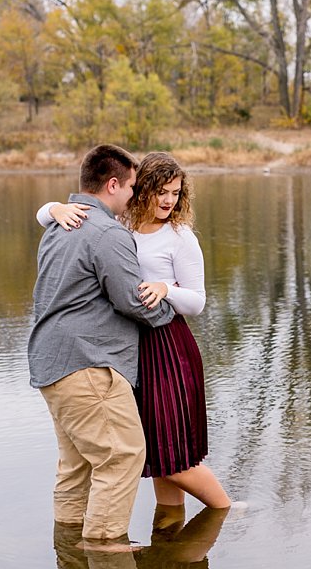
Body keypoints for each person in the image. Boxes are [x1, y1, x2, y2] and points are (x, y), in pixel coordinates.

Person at [37, 151, 233, 513]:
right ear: (139, 190)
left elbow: (197, 302)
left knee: (173, 457)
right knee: (157, 454)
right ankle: (169, 535)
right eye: (161, 191)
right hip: (130, 347)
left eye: (175, 193)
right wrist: (53, 209)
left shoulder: (179, 237)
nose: (168, 200)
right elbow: (48, 216)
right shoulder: (118, 225)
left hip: (168, 345)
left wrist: (166, 289)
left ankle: (227, 512)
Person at [28, 144, 176, 548]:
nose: (134, 196)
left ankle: (72, 560)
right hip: (87, 365)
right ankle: (104, 552)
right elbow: (131, 299)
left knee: (75, 466)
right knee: (123, 455)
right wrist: (171, 317)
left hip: (50, 365)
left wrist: (51, 208)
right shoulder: (107, 232)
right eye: (131, 187)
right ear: (112, 184)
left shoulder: (59, 224)